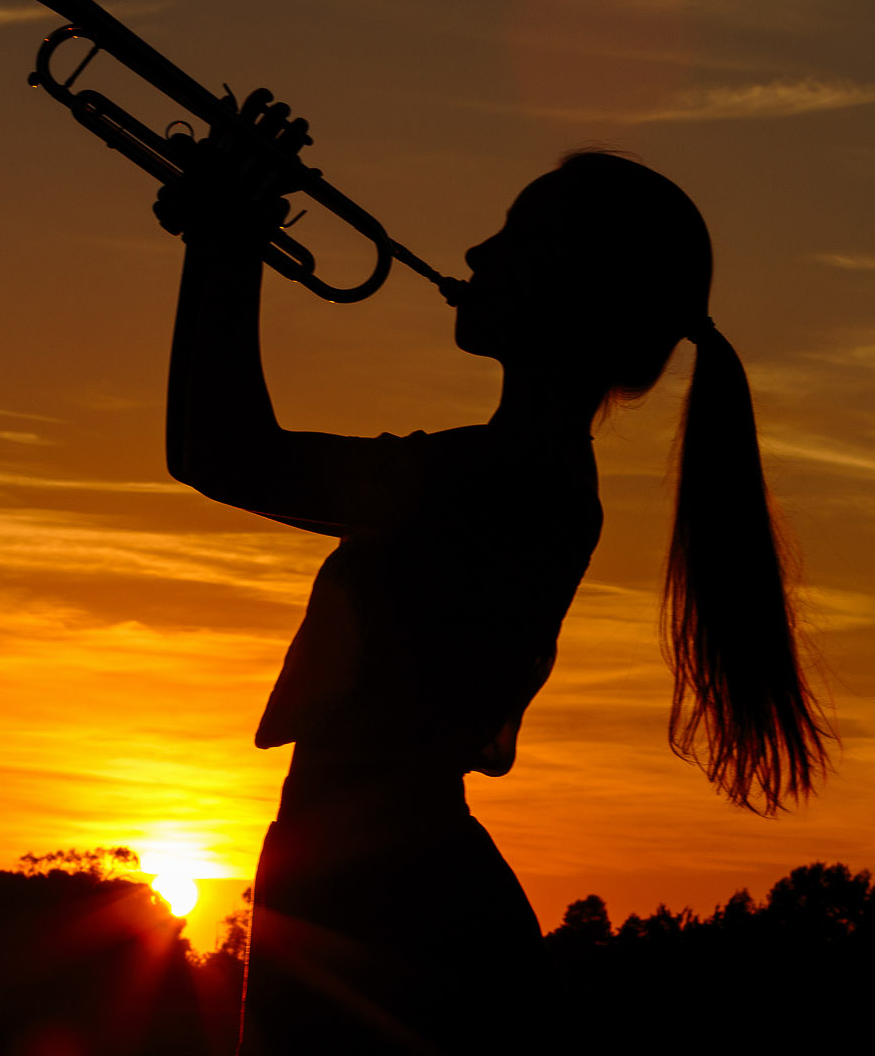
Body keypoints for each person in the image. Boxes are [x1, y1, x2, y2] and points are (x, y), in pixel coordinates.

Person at [155, 92, 834, 1055]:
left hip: (381, 887)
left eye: (511, 237)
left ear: (569, 288)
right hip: (384, 869)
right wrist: (221, 239)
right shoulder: (519, 471)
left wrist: (223, 241)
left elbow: (221, 452)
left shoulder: (501, 478)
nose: (475, 254)